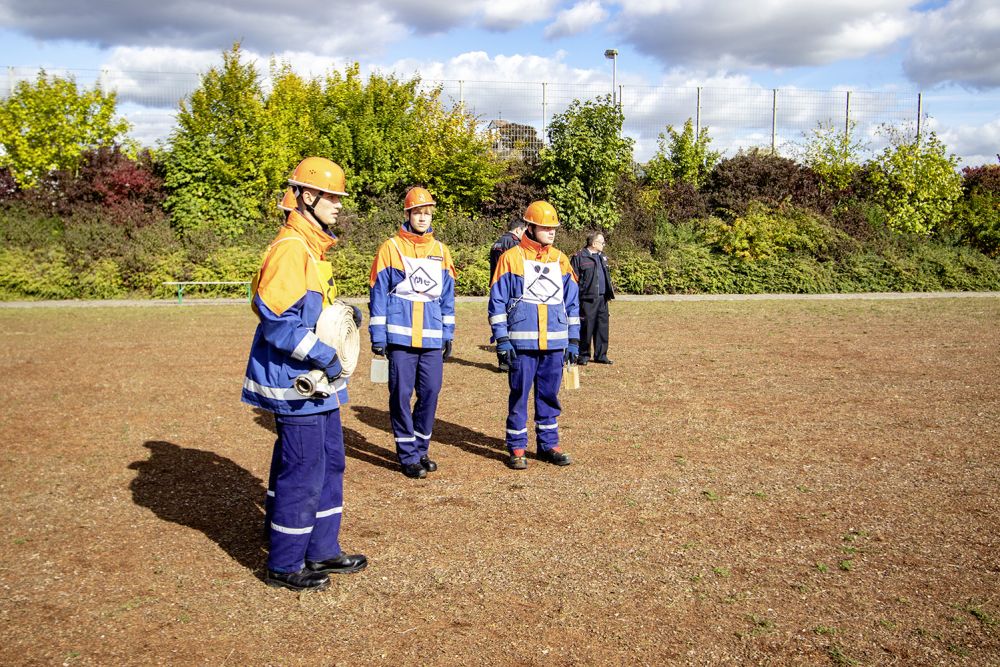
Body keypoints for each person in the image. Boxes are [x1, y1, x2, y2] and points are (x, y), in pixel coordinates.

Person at [242, 157, 367, 592]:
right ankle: (285, 562)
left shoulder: (312, 249)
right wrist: (324, 355)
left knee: (330, 461)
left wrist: (344, 314)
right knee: (304, 467)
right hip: (296, 380)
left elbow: (313, 311)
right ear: (307, 196)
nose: (338, 205)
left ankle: (322, 549)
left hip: (318, 383)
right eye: (332, 197)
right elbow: (276, 318)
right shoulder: (291, 248)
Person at [369, 187, 457, 479]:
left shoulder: (441, 251)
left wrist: (448, 333)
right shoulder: (390, 248)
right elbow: (378, 293)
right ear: (407, 214)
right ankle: (407, 454)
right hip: (399, 337)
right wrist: (378, 335)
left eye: (427, 212)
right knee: (401, 394)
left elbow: (447, 297)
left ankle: (421, 448)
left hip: (432, 335)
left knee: (430, 392)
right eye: (417, 212)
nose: (422, 217)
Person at [489, 200, 580, 470]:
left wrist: (573, 339)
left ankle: (548, 444)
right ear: (530, 226)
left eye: (554, 228)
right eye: (545, 227)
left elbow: (572, 303)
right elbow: (497, 301)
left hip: (554, 342)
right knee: (519, 394)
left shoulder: (561, 260)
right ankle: (517, 447)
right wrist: (502, 338)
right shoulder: (510, 258)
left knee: (549, 394)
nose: (551, 232)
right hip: (522, 342)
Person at [570, 230, 615, 365]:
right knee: (586, 327)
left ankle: (601, 355)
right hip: (587, 299)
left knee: (602, 327)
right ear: (594, 243)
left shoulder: (602, 257)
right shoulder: (579, 257)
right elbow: (573, 280)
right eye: (602, 242)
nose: (604, 245)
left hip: (602, 298)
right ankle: (583, 355)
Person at [489, 219, 527, 371]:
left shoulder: (497, 243)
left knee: (499, 321)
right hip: (511, 287)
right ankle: (509, 359)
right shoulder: (514, 244)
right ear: (518, 230)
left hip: (496, 284)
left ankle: (502, 359)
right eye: (524, 231)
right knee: (511, 321)